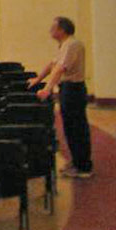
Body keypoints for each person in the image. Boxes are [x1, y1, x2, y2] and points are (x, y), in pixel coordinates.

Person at [28, 15, 92, 177]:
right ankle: (77, 161)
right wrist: (38, 79)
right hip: (68, 89)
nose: (51, 30)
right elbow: (52, 65)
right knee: (70, 128)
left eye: (53, 27)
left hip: (74, 90)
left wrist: (47, 89)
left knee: (77, 128)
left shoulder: (72, 44)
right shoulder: (65, 45)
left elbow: (60, 69)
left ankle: (84, 167)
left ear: (62, 30)